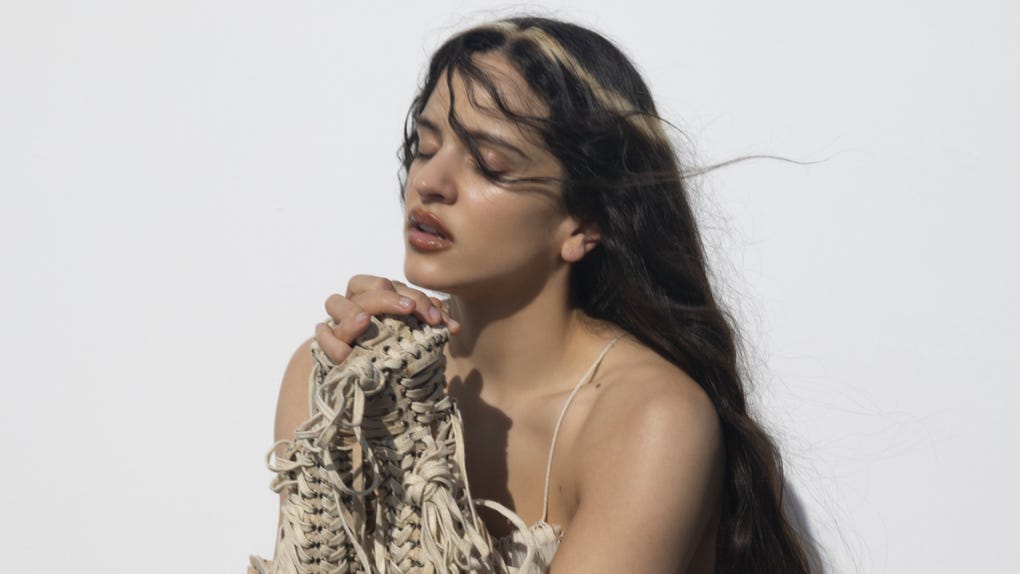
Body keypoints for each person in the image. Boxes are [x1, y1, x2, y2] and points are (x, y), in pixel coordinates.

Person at [271, 16, 813, 574]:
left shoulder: (650, 420)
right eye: (426, 147)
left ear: (585, 221)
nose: (429, 183)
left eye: (489, 164)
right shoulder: (337, 378)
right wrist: (363, 421)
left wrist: (412, 460)